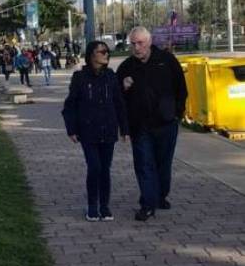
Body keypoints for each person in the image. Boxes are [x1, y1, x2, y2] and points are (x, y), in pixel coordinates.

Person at [116, 26, 188, 221]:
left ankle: (160, 195)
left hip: (166, 123)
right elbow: (117, 99)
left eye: (140, 43)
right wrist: (123, 86)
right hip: (140, 126)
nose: (136, 47)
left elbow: (181, 88)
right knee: (144, 164)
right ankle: (147, 204)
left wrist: (177, 114)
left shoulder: (166, 60)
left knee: (163, 164)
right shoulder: (126, 67)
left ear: (149, 42)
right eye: (133, 43)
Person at [62, 41, 129, 222]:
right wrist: (72, 129)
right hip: (88, 131)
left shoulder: (110, 76)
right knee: (94, 167)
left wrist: (124, 129)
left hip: (108, 130)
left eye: (107, 51)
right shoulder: (80, 77)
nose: (106, 54)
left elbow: (119, 104)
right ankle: (92, 206)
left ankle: (105, 206)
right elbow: (70, 105)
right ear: (92, 54)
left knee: (105, 169)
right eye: (102, 51)